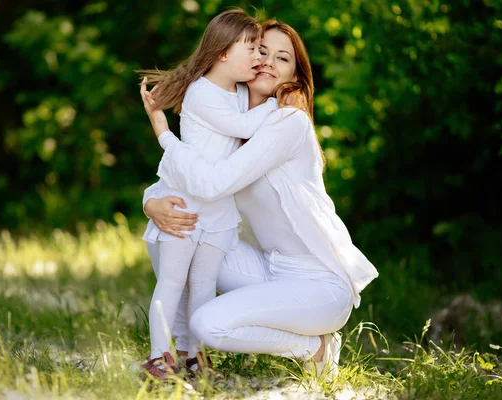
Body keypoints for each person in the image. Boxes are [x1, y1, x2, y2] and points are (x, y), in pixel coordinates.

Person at [140, 19, 379, 379]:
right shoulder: (231, 112)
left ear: (294, 75)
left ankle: (316, 349)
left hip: (318, 282)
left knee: (209, 323)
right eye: (260, 50)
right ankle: (178, 356)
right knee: (173, 231)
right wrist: (151, 202)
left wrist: (162, 133)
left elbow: (213, 182)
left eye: (281, 58)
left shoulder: (287, 122)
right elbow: (193, 172)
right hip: (268, 269)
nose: (266, 60)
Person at [138, 9, 280, 379]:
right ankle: (158, 357)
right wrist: (281, 102)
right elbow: (245, 125)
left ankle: (195, 357)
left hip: (217, 209)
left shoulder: (237, 92)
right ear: (222, 54)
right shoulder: (202, 93)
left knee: (203, 287)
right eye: (250, 49)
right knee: (171, 282)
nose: (259, 58)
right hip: (184, 202)